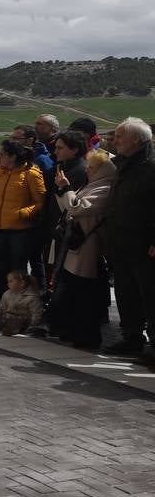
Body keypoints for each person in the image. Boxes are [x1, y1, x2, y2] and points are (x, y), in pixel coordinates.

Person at [46, 149, 115, 349]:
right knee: (74, 293)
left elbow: (78, 207)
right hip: (76, 244)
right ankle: (73, 330)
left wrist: (66, 189)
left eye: (92, 167)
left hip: (88, 246)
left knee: (85, 295)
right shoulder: (92, 184)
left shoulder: (105, 187)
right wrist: (63, 190)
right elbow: (69, 207)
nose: (88, 170)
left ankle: (86, 336)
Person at [101, 117, 155, 358]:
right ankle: (131, 337)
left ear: (136, 139)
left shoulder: (151, 166)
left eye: (121, 136)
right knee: (126, 293)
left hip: (144, 244)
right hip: (121, 241)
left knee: (150, 295)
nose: (116, 140)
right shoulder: (123, 164)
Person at [0, 139, 46, 273]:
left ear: (13, 157)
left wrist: (22, 214)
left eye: (1, 155)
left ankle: (19, 294)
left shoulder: (31, 174)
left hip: (18, 231)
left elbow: (40, 202)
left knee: (18, 267)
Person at [0, 271, 43, 336]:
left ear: (22, 283)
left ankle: (12, 329)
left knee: (18, 323)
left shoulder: (31, 297)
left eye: (11, 281)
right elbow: (1, 306)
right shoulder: (7, 294)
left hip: (23, 321)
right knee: (3, 321)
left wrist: (33, 324)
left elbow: (36, 313)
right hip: (8, 317)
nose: (8, 284)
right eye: (8, 281)